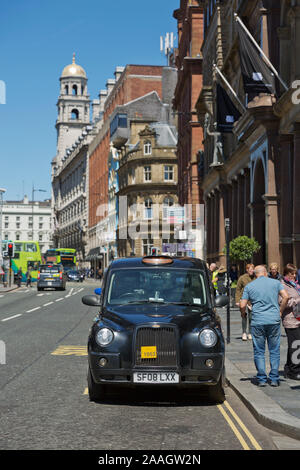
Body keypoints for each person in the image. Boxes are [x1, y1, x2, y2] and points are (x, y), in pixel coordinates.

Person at [240, 265, 289, 387]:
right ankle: (274, 378)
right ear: (265, 273)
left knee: (259, 351)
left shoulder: (249, 286)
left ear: (255, 274)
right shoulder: (275, 283)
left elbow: (242, 305)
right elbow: (286, 297)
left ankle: (262, 379)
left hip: (258, 321)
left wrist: (243, 314)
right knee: (274, 350)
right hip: (273, 320)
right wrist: (281, 311)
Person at [281, 264, 300, 380]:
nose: (294, 276)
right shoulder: (283, 285)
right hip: (290, 319)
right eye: (291, 273)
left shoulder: (294, 285)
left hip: (297, 318)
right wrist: (298, 300)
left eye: (294, 273)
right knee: (296, 345)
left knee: (294, 344)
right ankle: (294, 371)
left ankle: (288, 368)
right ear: (286, 274)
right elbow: (283, 302)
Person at [235, 264, 255, 341]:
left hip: (252, 300)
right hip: (243, 299)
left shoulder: (256, 277)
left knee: (251, 317)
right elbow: (238, 289)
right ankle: (244, 332)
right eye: (250, 269)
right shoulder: (242, 278)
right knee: (244, 316)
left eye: (252, 269)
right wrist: (237, 300)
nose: (251, 271)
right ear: (247, 270)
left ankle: (250, 332)